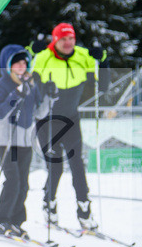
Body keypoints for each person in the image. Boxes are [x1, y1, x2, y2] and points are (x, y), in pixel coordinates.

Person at [32, 23, 104, 230]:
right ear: (55, 40)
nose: (67, 42)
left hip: (71, 119)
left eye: (70, 38)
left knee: (77, 165)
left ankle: (84, 210)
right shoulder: (43, 56)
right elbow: (29, 77)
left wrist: (103, 59)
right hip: (48, 119)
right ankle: (49, 205)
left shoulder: (83, 55)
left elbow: (102, 83)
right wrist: (32, 54)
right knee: (55, 167)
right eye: (63, 39)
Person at [0, 45, 54, 238]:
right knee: (13, 182)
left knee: (23, 184)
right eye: (17, 63)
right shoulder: (0, 85)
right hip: (7, 141)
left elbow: (39, 113)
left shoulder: (32, 85)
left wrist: (50, 96)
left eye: (24, 62)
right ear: (8, 66)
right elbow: (0, 113)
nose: (22, 66)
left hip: (25, 142)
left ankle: (15, 221)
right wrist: (17, 93)